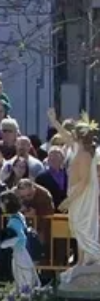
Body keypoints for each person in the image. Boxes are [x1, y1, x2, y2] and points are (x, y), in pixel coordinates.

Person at [48, 108, 100, 284]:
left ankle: (90, 256)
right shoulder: (77, 147)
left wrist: (69, 200)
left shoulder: (85, 154)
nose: (70, 135)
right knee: (77, 227)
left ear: (80, 136)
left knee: (82, 226)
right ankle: (81, 260)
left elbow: (85, 181)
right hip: (76, 194)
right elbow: (65, 136)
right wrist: (55, 121)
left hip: (83, 195)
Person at [0, 190, 40, 290]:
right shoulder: (19, 215)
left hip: (20, 254)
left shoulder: (13, 220)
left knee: (23, 281)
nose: (0, 206)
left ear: (7, 203)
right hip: (21, 253)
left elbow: (20, 237)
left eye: (1, 203)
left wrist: (4, 244)